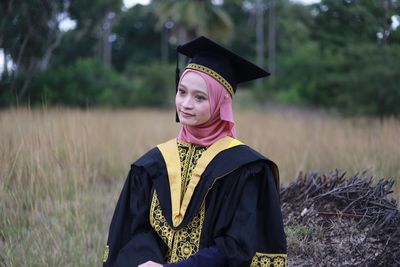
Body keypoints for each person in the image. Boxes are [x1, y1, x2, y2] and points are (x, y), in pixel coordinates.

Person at [103, 36, 287, 267]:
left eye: (200, 97)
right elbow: (135, 229)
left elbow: (238, 245)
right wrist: (145, 261)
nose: (186, 104)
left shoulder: (245, 168)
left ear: (222, 104)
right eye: (182, 92)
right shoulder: (151, 164)